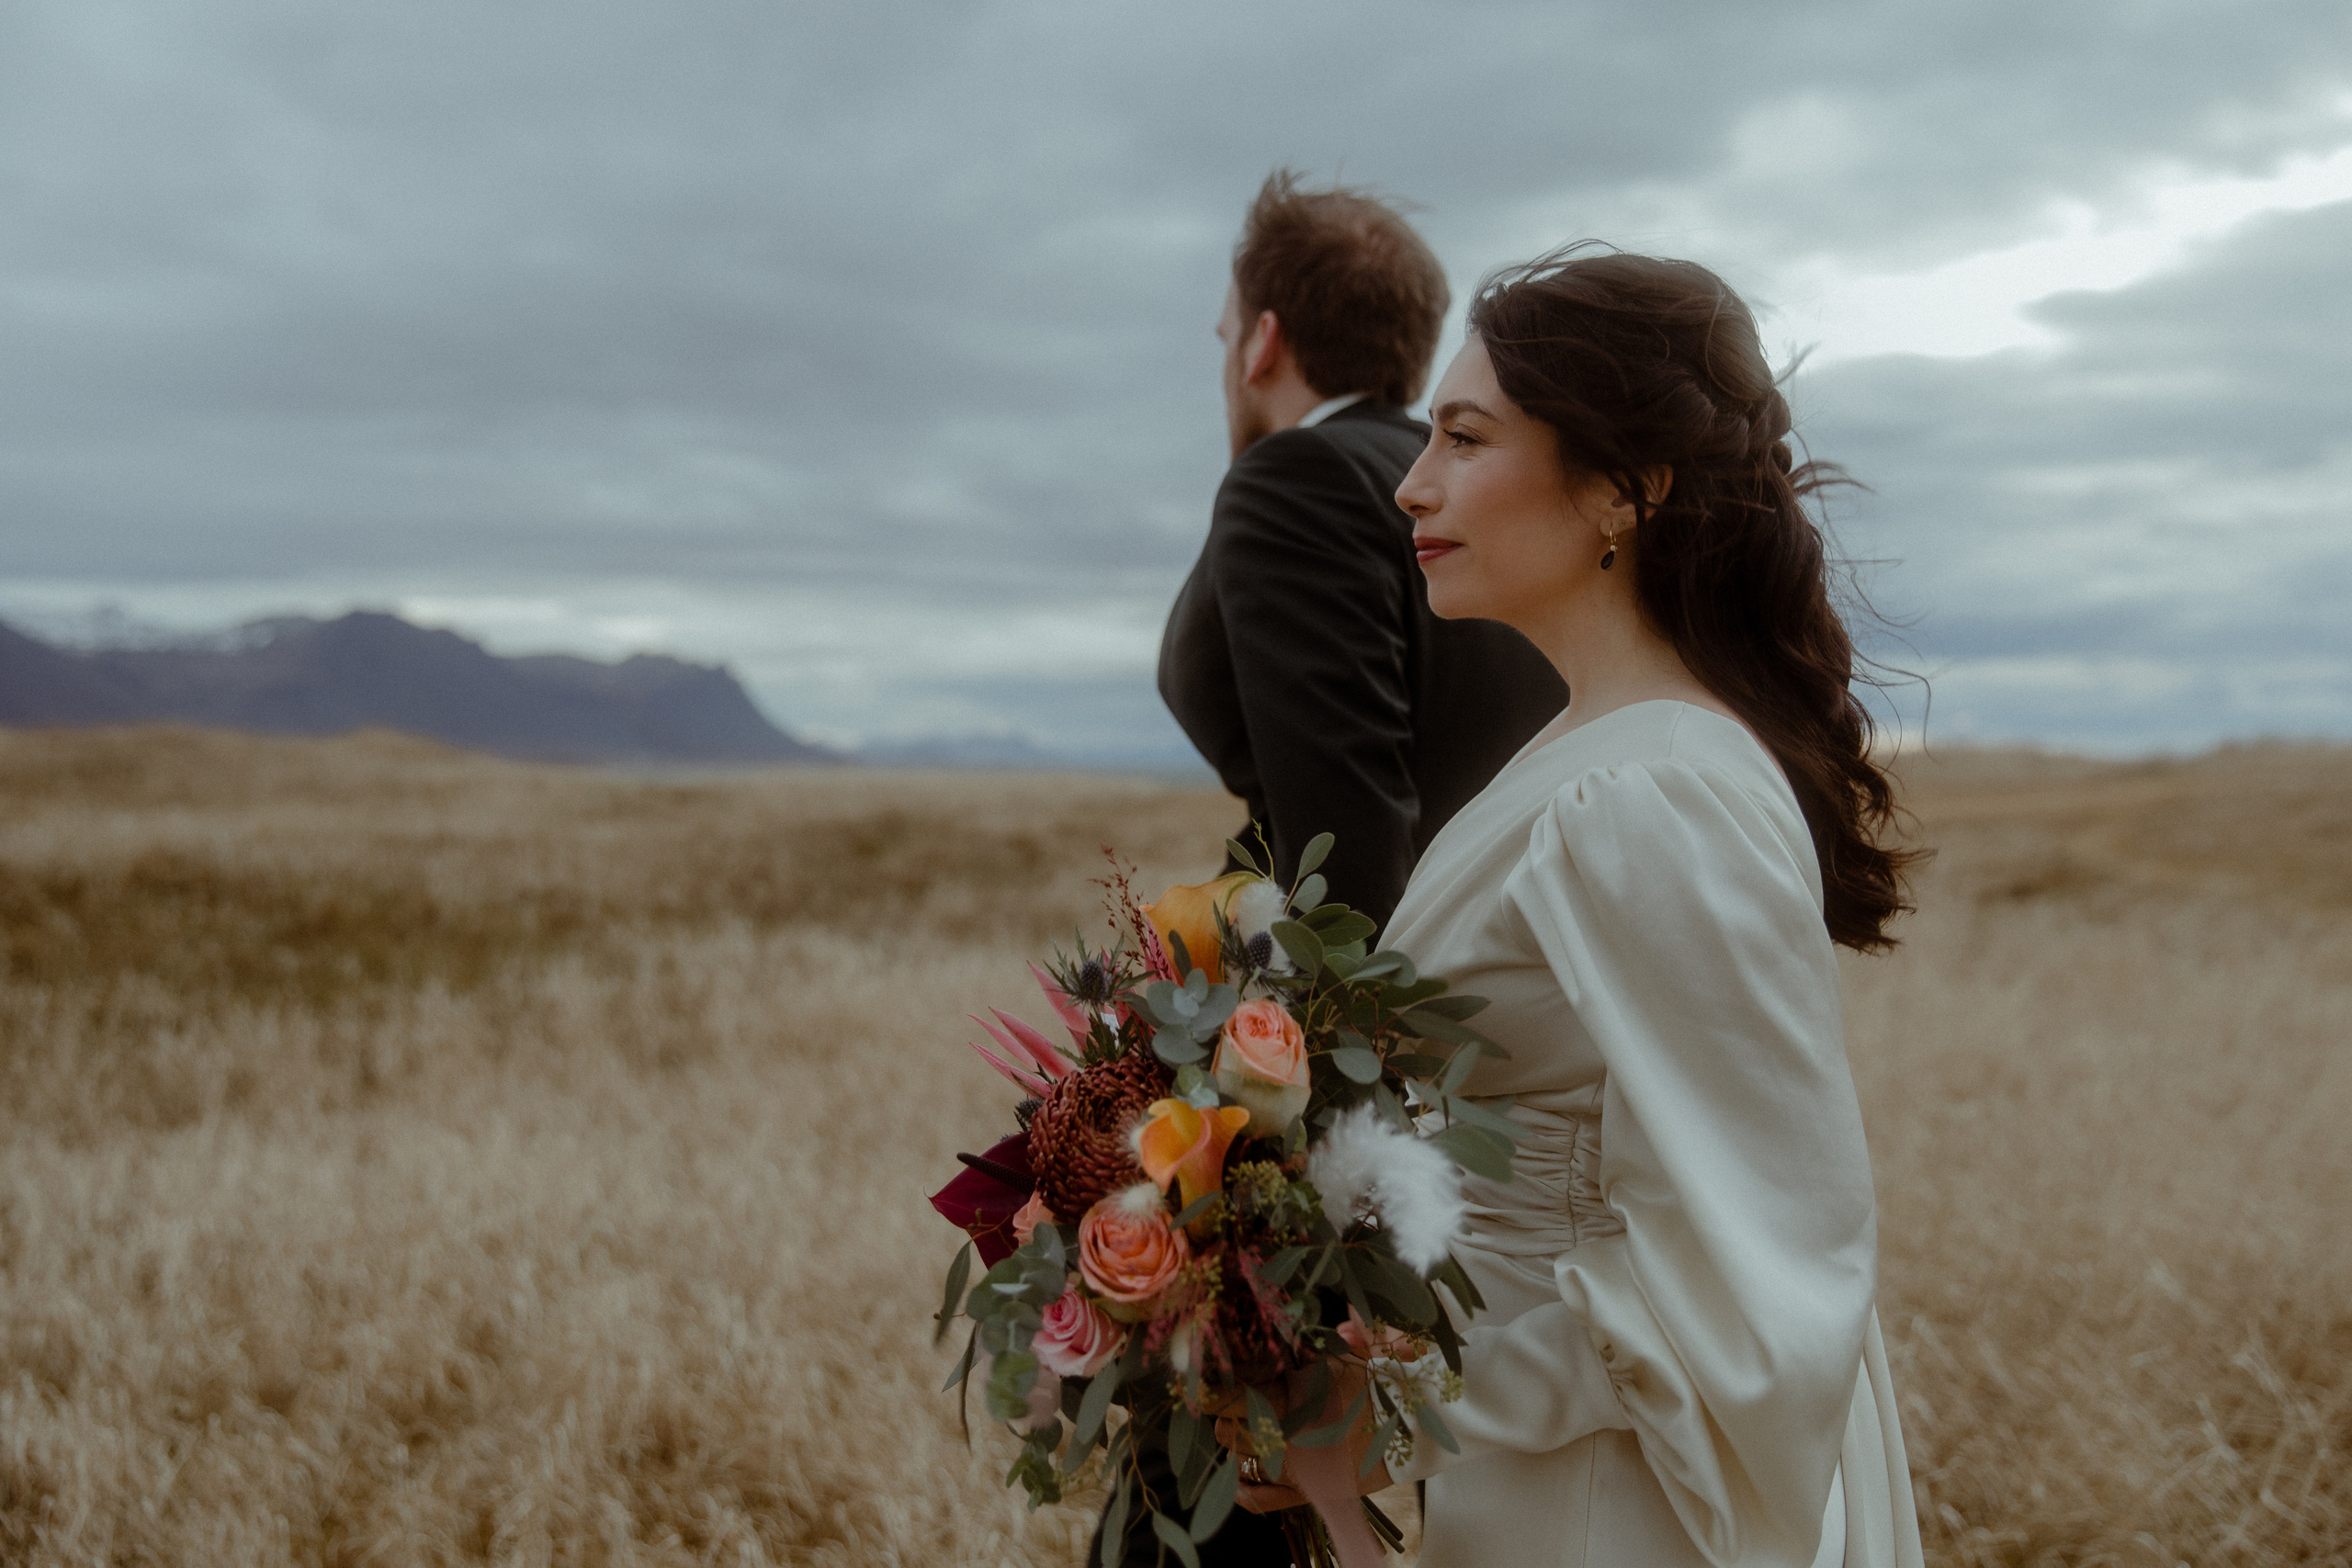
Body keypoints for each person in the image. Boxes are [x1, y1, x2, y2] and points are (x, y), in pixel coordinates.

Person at [1216, 248, 1928, 1568]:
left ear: (1625, 486)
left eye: (1465, 436)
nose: (1411, 481)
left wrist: (1386, 1405)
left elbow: (1748, 1260)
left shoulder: (1658, 794)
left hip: (1619, 1493)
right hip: (1548, 1454)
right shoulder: (1590, 746)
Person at [1159, 170, 1566, 935]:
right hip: (1505, 957)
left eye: (1227, 335)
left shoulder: (1294, 482)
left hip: (1384, 998)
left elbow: (1347, 846)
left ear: (1263, 344)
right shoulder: (1464, 484)